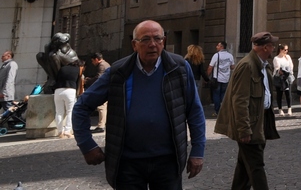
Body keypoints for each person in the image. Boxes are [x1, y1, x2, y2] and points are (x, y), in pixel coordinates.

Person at [72, 19, 206, 190]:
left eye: (158, 39)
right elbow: (82, 107)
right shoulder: (118, 72)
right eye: (145, 40)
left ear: (163, 42)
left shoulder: (178, 68)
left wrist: (198, 151)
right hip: (127, 162)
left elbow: (194, 111)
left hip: (168, 161)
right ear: (134, 45)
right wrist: (87, 145)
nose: (152, 44)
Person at [215, 31, 280, 190]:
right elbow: (239, 100)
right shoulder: (247, 66)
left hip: (260, 120)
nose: (274, 49)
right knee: (256, 166)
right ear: (265, 47)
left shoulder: (264, 65)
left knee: (244, 168)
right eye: (272, 46)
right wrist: (244, 129)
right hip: (250, 123)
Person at [79, 52, 110, 133]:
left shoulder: (102, 65)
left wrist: (88, 80)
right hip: (107, 87)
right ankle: (102, 124)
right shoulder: (106, 64)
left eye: (93, 61)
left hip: (104, 88)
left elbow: (99, 77)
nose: (93, 63)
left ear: (96, 59)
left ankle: (101, 125)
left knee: (101, 107)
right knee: (103, 107)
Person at [55, 51, 81, 138]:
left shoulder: (62, 68)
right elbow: (78, 81)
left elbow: (57, 78)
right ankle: (67, 131)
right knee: (70, 111)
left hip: (58, 90)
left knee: (59, 112)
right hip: (70, 90)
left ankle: (60, 131)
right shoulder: (77, 69)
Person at [208, 42, 235, 116]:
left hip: (217, 79)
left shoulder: (216, 55)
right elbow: (232, 67)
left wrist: (207, 76)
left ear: (221, 47)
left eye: (218, 46)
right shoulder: (230, 56)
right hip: (226, 78)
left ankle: (217, 111)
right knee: (224, 95)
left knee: (216, 95)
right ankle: (224, 111)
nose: (216, 47)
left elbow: (210, 67)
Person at [272, 45, 293, 116]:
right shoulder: (276, 58)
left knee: (288, 93)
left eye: (287, 50)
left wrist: (288, 71)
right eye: (285, 50)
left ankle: (289, 109)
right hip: (279, 78)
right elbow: (277, 67)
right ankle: (280, 109)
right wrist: (283, 70)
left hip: (287, 77)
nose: (286, 51)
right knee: (279, 94)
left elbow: (291, 65)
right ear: (280, 50)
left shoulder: (288, 57)